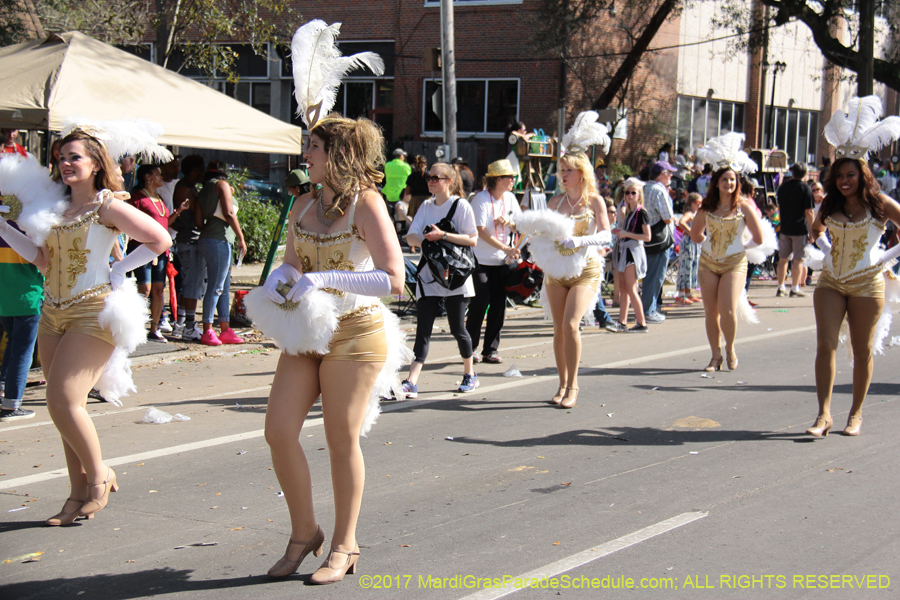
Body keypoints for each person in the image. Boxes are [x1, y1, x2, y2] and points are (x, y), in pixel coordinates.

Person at [257, 115, 406, 584]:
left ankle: (345, 544)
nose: (306, 155)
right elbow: (289, 263)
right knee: (278, 431)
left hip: (356, 332)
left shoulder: (368, 204)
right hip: (307, 333)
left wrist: (323, 278)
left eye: (315, 147)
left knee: (340, 437)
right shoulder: (303, 204)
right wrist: (276, 285)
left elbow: (393, 279)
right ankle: (305, 533)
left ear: (338, 154)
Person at [0, 126, 172, 525]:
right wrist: (4, 228)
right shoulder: (54, 208)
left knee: (62, 400)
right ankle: (76, 495)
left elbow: (159, 239)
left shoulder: (106, 205)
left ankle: (99, 476)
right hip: (52, 312)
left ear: (96, 163)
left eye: (75, 157)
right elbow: (42, 259)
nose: (65, 163)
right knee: (62, 409)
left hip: (93, 313)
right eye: (61, 157)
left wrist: (120, 269)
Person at [807, 157, 900, 437]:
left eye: (850, 175)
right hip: (831, 282)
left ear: (863, 176)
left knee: (862, 350)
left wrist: (886, 257)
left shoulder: (880, 203)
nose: (844, 181)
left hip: (867, 285)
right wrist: (826, 250)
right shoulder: (831, 203)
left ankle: (855, 414)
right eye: (839, 176)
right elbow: (816, 230)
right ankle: (823, 415)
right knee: (826, 345)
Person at [543, 124, 611, 408]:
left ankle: (574, 385)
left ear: (581, 172)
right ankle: (561, 383)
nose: (563, 175)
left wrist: (581, 242)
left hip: (586, 269)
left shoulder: (594, 201)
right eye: (561, 170)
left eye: (568, 170)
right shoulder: (554, 201)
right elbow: (544, 234)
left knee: (572, 325)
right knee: (559, 329)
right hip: (557, 272)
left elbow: (607, 234)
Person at [402, 162, 478, 397]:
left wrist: (443, 235)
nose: (431, 181)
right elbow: (411, 236)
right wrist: (427, 241)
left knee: (458, 329)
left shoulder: (461, 205)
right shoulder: (425, 206)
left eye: (436, 177)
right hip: (429, 276)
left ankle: (470, 374)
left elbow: (472, 239)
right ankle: (411, 381)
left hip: (456, 277)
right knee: (423, 329)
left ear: (450, 182)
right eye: (429, 177)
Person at [691, 166, 764, 371]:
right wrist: (709, 242)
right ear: (716, 182)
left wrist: (741, 246)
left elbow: (759, 238)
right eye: (724, 179)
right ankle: (715, 357)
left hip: (734, 263)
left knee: (727, 309)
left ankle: (730, 349)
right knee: (710, 312)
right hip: (708, 263)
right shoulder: (706, 207)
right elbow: (695, 235)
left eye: (732, 180)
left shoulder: (744, 207)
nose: (729, 183)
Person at [466, 159, 521, 364]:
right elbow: (479, 231)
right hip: (480, 260)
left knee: (499, 306)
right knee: (480, 303)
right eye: (510, 177)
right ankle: (471, 348)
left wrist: (511, 223)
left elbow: (521, 225)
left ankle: (491, 349)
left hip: (502, 263)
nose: (513, 180)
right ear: (498, 179)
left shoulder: (511, 199)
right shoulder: (480, 199)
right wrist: (505, 247)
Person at [128, 164, 188, 342]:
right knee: (143, 289)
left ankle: (154, 328)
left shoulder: (160, 197)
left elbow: (164, 223)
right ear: (147, 177)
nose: (161, 177)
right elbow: (131, 222)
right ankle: (137, 327)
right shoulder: (138, 197)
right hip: (142, 249)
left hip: (160, 251)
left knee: (158, 290)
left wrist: (178, 212)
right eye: (157, 174)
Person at [195, 162, 247, 346]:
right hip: (221, 239)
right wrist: (241, 237)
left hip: (207, 238)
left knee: (223, 287)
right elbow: (229, 212)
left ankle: (225, 329)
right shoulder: (222, 186)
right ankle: (208, 330)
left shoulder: (203, 191)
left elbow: (199, 223)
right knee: (217, 287)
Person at [0, 220, 42, 421]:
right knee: (23, 351)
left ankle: (3, 391)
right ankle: (11, 404)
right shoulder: (31, 224)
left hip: (4, 295)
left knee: (13, 344)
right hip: (28, 295)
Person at [170, 155, 206, 341]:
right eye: (201, 170)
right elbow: (200, 221)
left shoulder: (182, 187)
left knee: (188, 284)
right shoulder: (188, 192)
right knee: (193, 284)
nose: (203, 174)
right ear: (194, 171)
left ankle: (180, 323)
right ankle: (190, 326)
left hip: (185, 240)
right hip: (191, 242)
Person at [607, 179, 650, 332]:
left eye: (633, 193)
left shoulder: (641, 213)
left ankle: (641, 322)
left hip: (633, 252)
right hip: (626, 250)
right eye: (627, 193)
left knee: (631, 288)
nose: (630, 195)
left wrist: (626, 234)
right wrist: (620, 233)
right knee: (624, 288)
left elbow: (647, 237)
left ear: (639, 196)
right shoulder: (630, 212)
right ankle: (622, 322)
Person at [641, 161, 677, 323]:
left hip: (645, 237)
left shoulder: (643, 187)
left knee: (649, 275)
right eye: (669, 173)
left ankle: (649, 308)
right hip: (659, 238)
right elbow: (667, 217)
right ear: (662, 174)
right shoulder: (659, 191)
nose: (671, 176)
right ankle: (649, 310)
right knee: (656, 276)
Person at [775, 163, 815, 297]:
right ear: (805, 174)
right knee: (798, 260)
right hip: (800, 228)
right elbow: (809, 212)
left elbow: (779, 207)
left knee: (783, 259)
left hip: (785, 227)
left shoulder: (783, 187)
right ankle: (795, 287)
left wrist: (782, 222)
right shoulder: (806, 189)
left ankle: (781, 287)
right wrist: (812, 230)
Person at [675, 192, 703, 304]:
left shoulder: (696, 213)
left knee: (692, 268)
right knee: (685, 268)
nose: (700, 204)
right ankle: (680, 294)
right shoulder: (689, 213)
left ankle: (688, 293)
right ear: (692, 203)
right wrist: (691, 232)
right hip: (688, 244)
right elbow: (681, 222)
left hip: (695, 244)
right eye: (698, 202)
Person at [382, 148, 411, 216]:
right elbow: (409, 180)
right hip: (401, 195)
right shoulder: (406, 166)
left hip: (389, 194)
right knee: (401, 216)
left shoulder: (387, 165)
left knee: (388, 216)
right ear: (401, 156)